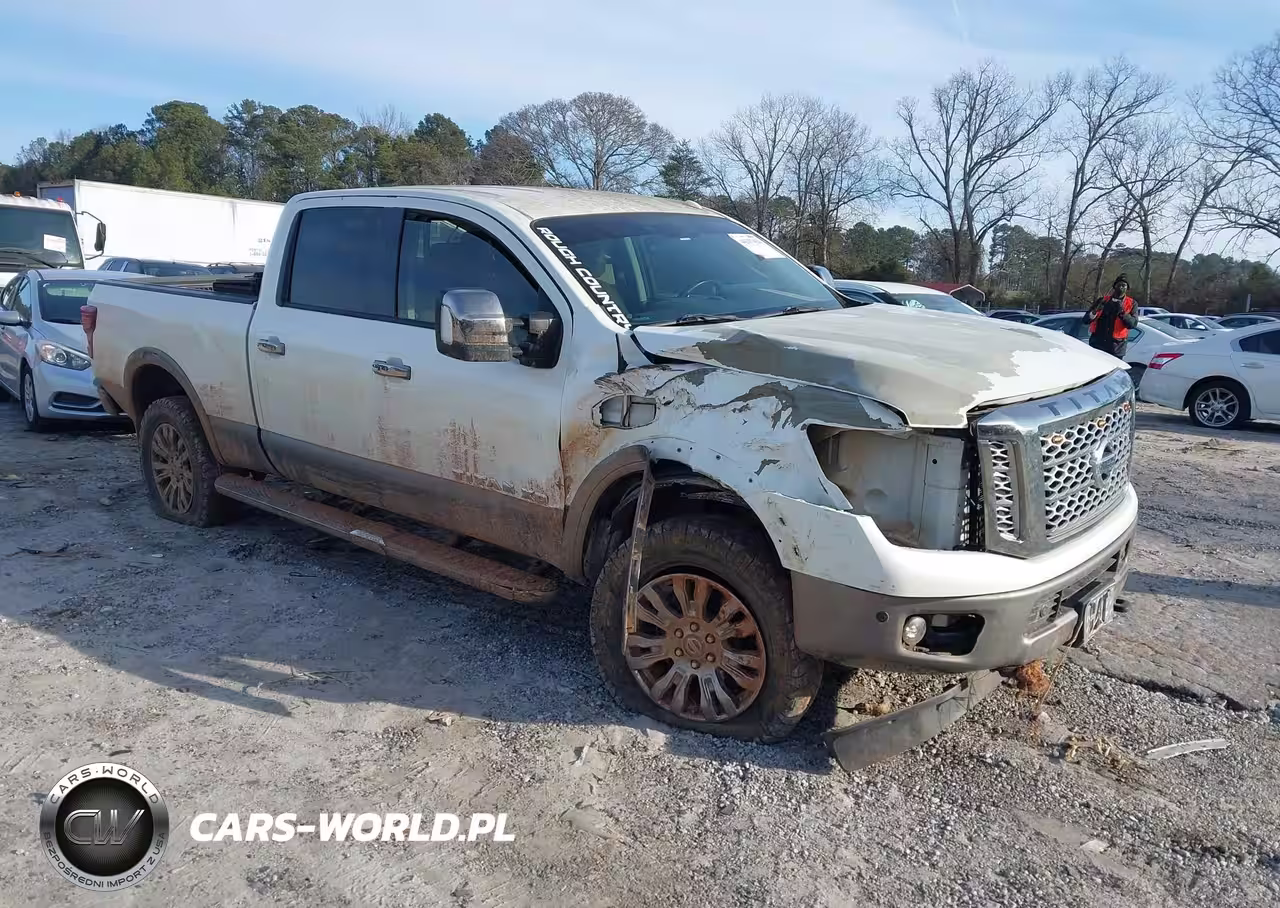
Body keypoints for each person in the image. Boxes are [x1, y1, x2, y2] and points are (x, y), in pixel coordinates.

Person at [1083, 275, 1138, 358]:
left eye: (1124, 285)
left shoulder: (1132, 303)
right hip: (1098, 345)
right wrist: (1095, 311)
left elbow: (1133, 324)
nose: (1121, 287)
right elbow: (1085, 320)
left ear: (1127, 288)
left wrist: (1122, 313)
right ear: (1114, 286)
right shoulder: (1103, 300)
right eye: (1119, 285)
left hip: (1116, 348)